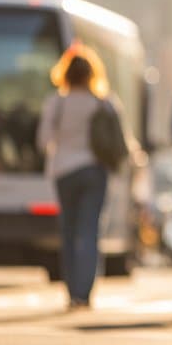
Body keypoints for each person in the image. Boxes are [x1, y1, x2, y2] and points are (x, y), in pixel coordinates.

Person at [37, 44, 117, 309]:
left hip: (64, 172)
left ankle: (72, 291)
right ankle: (85, 291)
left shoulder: (56, 103)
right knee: (89, 231)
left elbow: (43, 140)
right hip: (95, 170)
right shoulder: (103, 103)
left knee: (69, 232)